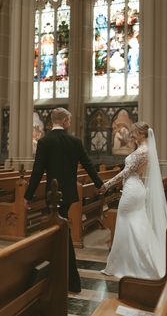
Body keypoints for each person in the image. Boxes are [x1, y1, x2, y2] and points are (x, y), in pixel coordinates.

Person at [24, 107, 103, 293]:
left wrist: (28, 196)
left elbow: (37, 172)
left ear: (52, 121)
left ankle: (68, 279)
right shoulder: (74, 141)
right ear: (65, 121)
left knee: (58, 231)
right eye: (69, 120)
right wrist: (99, 183)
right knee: (58, 231)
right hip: (67, 195)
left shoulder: (44, 142)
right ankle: (65, 278)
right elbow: (88, 164)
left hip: (52, 196)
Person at [100, 121, 167, 279]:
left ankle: (131, 263)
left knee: (126, 223)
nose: (131, 135)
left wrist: (107, 185)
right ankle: (136, 260)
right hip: (137, 187)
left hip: (132, 189)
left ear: (141, 133)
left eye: (133, 132)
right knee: (137, 223)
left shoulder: (142, 151)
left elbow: (125, 172)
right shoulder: (145, 150)